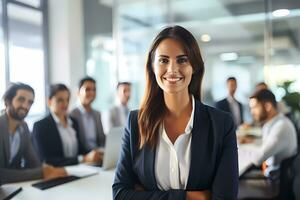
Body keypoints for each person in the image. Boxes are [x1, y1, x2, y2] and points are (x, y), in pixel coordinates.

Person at [112, 26, 238, 200]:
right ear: (152, 66)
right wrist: (190, 197)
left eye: (182, 60)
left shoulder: (221, 124)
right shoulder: (136, 121)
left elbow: (225, 197)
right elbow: (120, 194)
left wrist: (147, 195)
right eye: (163, 60)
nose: (172, 69)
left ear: (194, 66)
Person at [0, 83, 66, 183]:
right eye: (21, 99)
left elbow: (34, 162)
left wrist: (51, 170)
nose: (26, 106)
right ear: (7, 101)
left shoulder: (24, 128)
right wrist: (41, 173)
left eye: (30, 102)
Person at [238, 89, 298, 199]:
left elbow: (259, 157)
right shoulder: (273, 124)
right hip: (271, 176)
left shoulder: (281, 127)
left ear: (267, 106)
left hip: (273, 185)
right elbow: (264, 145)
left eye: (255, 107)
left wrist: (236, 149)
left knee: (230, 189)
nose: (252, 112)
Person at [32, 84, 101, 167]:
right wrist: (82, 159)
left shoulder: (73, 122)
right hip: (58, 173)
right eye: (60, 100)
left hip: (79, 170)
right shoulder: (40, 126)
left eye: (67, 99)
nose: (65, 104)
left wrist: (95, 154)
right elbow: (47, 160)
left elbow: (80, 150)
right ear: (49, 102)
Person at [70, 77, 105, 152]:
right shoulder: (71, 115)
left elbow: (102, 140)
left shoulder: (97, 114)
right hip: (83, 157)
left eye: (94, 90)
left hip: (99, 154)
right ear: (78, 92)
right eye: (87, 89)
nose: (92, 93)